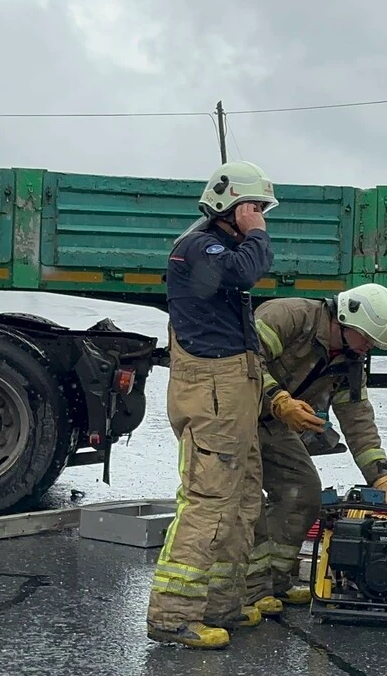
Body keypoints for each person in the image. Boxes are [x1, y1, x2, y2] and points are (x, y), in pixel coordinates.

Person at [147, 161, 278, 649]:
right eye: (255, 207)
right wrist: (256, 234)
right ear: (234, 206)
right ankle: (172, 615)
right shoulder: (200, 248)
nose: (261, 216)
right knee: (207, 503)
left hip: (232, 386)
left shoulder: (211, 245)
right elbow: (246, 273)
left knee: (242, 497)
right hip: (215, 390)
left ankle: (222, 602)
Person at [241, 282, 387, 616]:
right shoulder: (288, 317)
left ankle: (276, 581)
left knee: (302, 493)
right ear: (346, 319)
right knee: (246, 501)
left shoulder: (349, 359)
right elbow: (243, 362)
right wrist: (278, 400)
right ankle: (250, 591)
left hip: (272, 423)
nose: (368, 349)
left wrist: (382, 478)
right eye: (367, 339)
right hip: (233, 415)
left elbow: (357, 417)